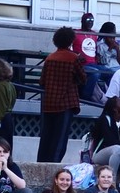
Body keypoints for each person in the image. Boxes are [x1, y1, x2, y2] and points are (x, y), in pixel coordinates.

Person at [37, 26, 86, 162]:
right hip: (66, 103)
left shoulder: (50, 58)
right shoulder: (74, 58)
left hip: (48, 103)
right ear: (71, 41)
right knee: (60, 139)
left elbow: (42, 81)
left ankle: (41, 163)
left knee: (46, 138)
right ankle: (54, 165)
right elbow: (83, 79)